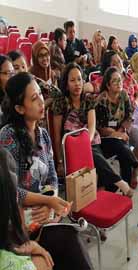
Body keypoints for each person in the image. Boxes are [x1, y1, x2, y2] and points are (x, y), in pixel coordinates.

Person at [0, 72, 94, 269]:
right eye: (34, 98)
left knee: (71, 240)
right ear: (19, 108)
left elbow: (52, 175)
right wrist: (47, 200)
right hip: (18, 223)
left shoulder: (42, 134)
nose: (42, 102)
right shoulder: (8, 137)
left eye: (41, 95)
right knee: (68, 242)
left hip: (42, 216)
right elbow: (11, 191)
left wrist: (52, 202)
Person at [52, 63, 134, 196]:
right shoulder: (60, 102)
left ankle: (131, 172)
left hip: (91, 140)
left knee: (119, 144)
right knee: (94, 155)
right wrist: (60, 161)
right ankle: (118, 182)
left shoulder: (88, 99)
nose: (77, 84)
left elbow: (92, 127)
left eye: (79, 79)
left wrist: (86, 142)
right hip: (71, 146)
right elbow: (57, 135)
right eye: (72, 80)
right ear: (66, 84)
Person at [95, 67, 138, 188]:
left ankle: (124, 186)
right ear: (108, 85)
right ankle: (136, 165)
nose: (119, 83)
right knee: (121, 145)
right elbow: (101, 129)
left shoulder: (123, 94)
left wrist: (121, 131)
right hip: (105, 140)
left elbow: (129, 115)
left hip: (120, 134)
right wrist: (117, 135)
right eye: (115, 81)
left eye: (120, 80)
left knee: (123, 150)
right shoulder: (102, 101)